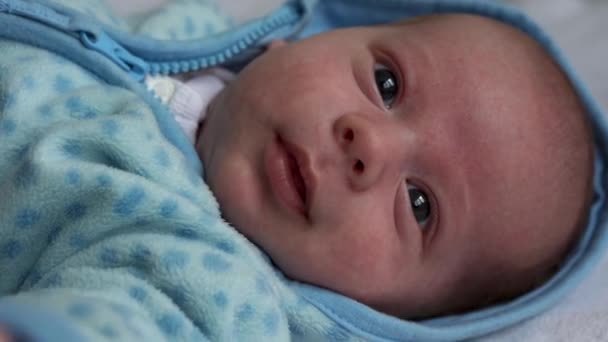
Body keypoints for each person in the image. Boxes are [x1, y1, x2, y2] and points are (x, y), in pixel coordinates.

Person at [0, 1, 605, 341]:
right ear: (297, 42)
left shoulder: (218, 286)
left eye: (420, 205)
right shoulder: (187, 37)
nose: (368, 144)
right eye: (387, 84)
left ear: (391, 314)